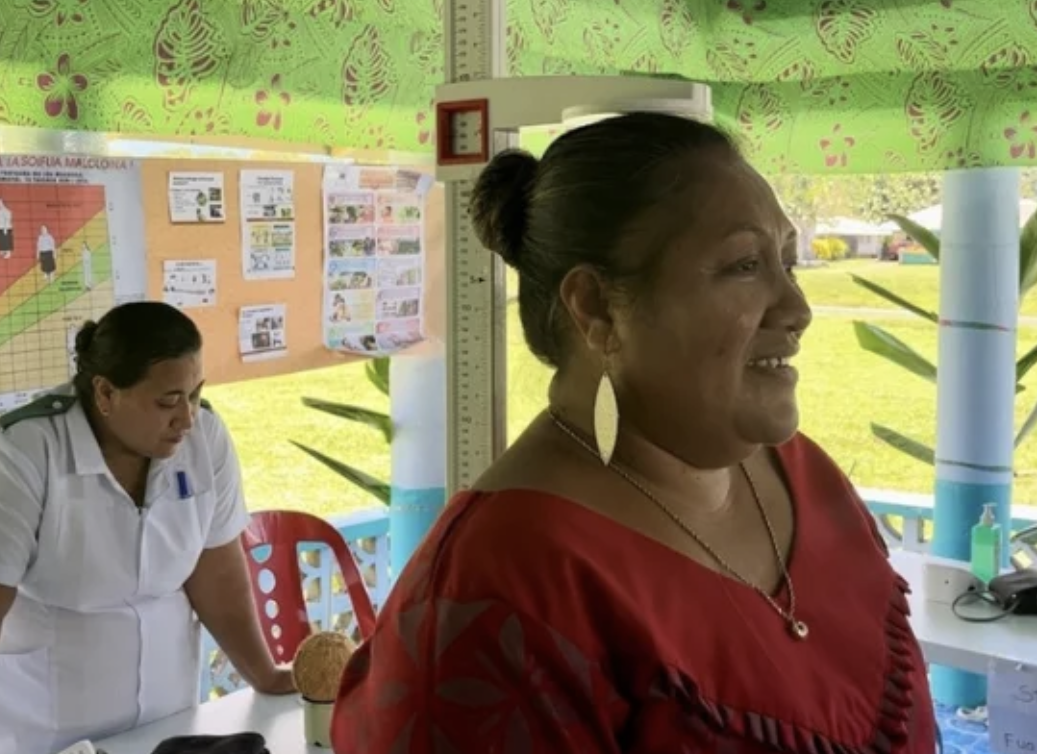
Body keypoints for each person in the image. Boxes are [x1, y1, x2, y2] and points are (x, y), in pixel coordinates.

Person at [332, 114, 937, 753]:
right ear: (595, 307)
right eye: (744, 265)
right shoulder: (503, 587)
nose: (797, 309)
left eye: (787, 262)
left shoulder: (808, 476)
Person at [0, 301, 295, 754]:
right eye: (168, 401)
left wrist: (264, 675)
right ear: (105, 393)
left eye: (193, 394)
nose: (187, 418)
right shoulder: (19, 454)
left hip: (162, 724)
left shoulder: (203, 437)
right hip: (39, 730)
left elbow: (218, 576)